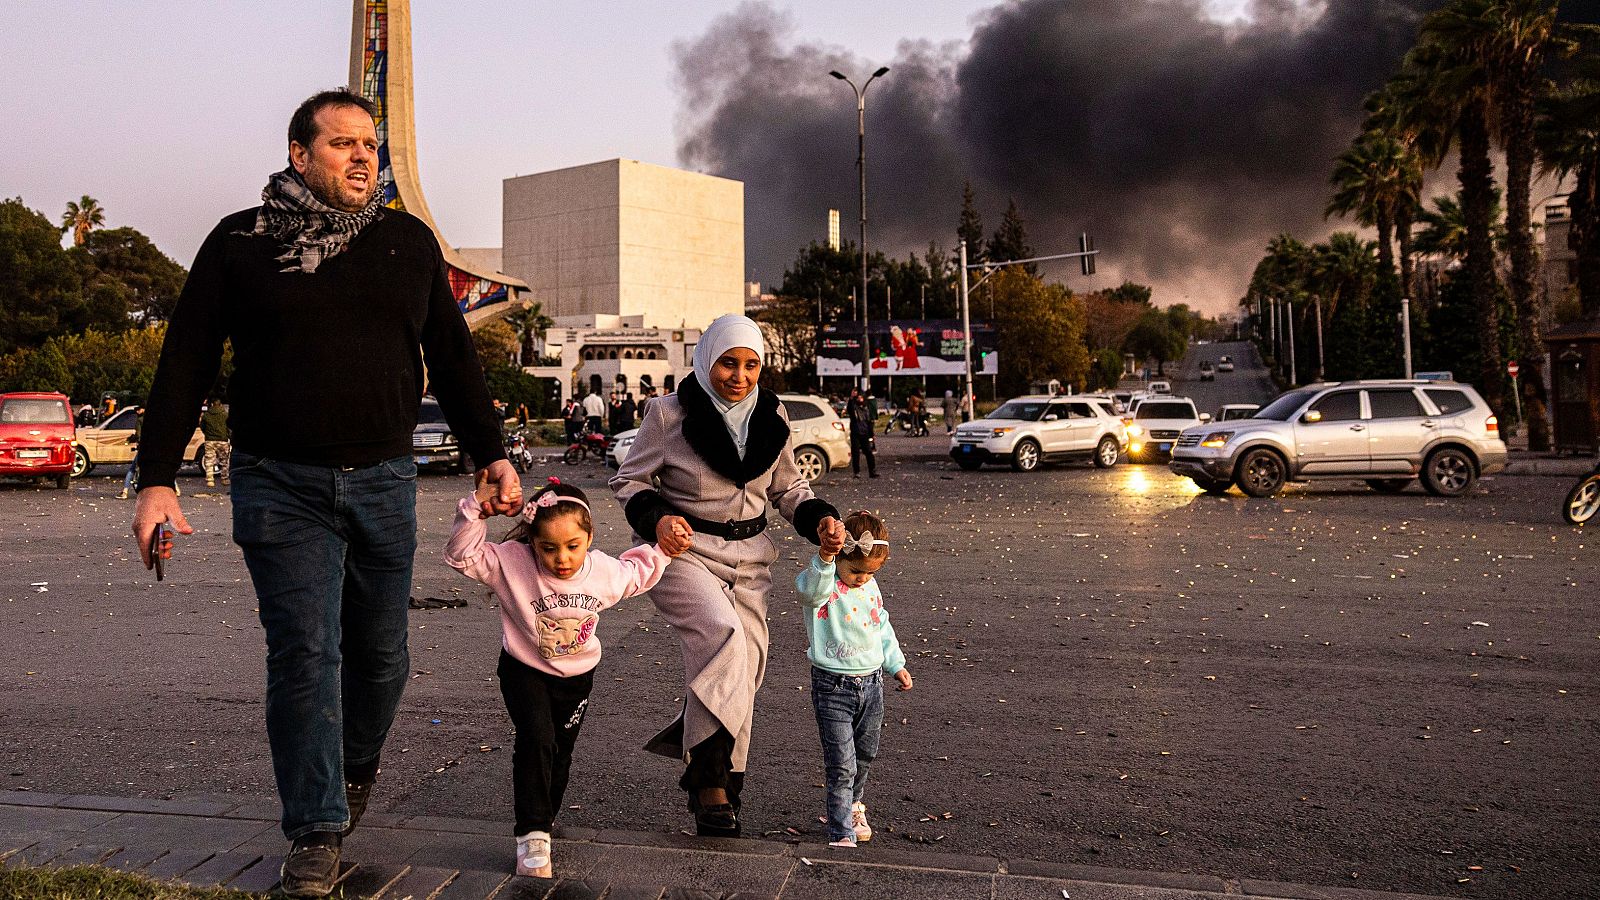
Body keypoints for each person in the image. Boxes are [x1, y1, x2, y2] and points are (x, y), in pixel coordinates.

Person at [130, 89, 520, 898]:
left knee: (382, 658)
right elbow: (187, 363)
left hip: (383, 482)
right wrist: (159, 480)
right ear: (300, 155)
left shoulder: (408, 243)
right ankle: (314, 829)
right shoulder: (240, 243)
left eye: (370, 144)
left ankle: (349, 773)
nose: (363, 156)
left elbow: (451, 357)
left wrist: (492, 453)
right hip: (280, 485)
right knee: (305, 653)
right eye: (342, 143)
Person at [611, 314, 845, 837]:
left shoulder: (774, 415)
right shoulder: (669, 414)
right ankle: (708, 783)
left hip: (751, 558)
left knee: (746, 667)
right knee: (725, 638)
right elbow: (629, 480)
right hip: (684, 551)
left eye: (750, 364)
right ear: (706, 360)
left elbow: (789, 492)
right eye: (727, 363)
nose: (739, 375)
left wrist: (822, 520)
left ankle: (723, 785)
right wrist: (658, 518)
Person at [445, 477, 676, 876]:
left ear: (590, 537)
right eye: (548, 548)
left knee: (559, 751)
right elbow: (462, 556)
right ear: (531, 542)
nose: (562, 558)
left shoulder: (603, 571)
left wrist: (666, 549)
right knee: (537, 739)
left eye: (573, 546)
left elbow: (637, 572)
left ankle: (544, 820)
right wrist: (474, 510)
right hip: (524, 669)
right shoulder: (511, 563)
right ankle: (532, 835)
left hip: (577, 678)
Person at [793, 510, 911, 848]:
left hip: (872, 684)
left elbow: (881, 626)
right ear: (840, 557)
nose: (862, 578)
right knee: (841, 762)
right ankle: (841, 828)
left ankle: (853, 806)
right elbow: (808, 591)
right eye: (856, 570)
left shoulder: (870, 586)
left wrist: (895, 664)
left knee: (865, 754)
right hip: (832, 686)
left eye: (871, 572)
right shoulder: (824, 582)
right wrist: (826, 557)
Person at [844, 387, 877, 479]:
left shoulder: (866, 408)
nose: (860, 399)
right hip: (855, 432)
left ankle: (872, 471)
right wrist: (851, 397)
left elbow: (869, 422)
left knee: (868, 452)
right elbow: (850, 408)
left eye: (861, 397)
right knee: (855, 453)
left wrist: (872, 434)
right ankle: (857, 472)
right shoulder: (854, 407)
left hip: (864, 433)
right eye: (858, 397)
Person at [199, 397, 231, 488]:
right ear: (220, 405)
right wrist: (228, 436)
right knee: (224, 460)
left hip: (210, 441)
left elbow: (202, 427)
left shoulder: (206, 415)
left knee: (209, 460)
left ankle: (210, 480)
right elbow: (229, 428)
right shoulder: (225, 415)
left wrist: (207, 434)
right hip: (223, 440)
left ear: (212, 404)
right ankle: (224, 479)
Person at [117, 406, 146, 500]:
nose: (137, 412)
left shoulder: (140, 420)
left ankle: (125, 491)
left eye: (138, 409)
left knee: (132, 469)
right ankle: (174, 489)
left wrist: (131, 439)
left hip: (142, 447)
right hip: (153, 448)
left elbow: (138, 435)